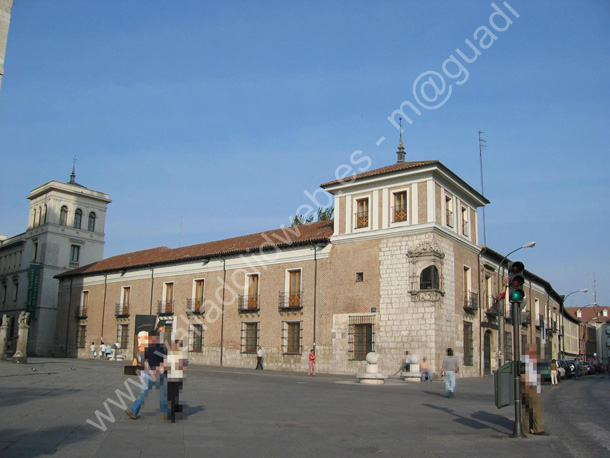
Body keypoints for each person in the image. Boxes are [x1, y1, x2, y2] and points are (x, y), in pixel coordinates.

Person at [125, 331, 168, 420]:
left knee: (146, 393)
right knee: (161, 393)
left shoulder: (150, 348)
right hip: (156, 373)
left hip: (151, 372)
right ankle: (164, 413)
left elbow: (146, 361)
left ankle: (133, 410)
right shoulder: (161, 348)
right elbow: (165, 360)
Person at [521, 345, 549, 435]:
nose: (534, 354)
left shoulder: (529, 361)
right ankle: (538, 429)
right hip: (529, 387)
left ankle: (526, 428)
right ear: (528, 352)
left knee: (528, 409)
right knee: (536, 407)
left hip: (531, 386)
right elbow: (523, 375)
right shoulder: (525, 361)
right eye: (532, 352)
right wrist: (527, 387)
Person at [165, 339, 188, 422]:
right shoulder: (169, 355)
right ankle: (177, 408)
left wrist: (177, 365)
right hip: (170, 378)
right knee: (169, 397)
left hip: (178, 378)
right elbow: (165, 365)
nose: (173, 347)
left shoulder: (182, 355)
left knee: (174, 397)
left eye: (174, 345)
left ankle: (171, 416)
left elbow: (184, 367)